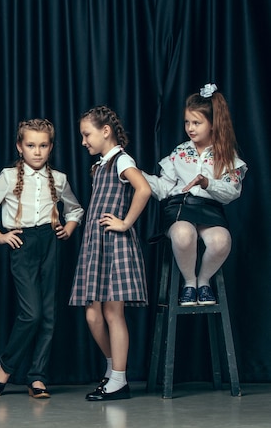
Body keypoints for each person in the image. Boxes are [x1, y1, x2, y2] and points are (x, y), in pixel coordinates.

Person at [0, 119, 84, 398]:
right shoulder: (9, 177)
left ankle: (37, 377)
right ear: (19, 147)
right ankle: (5, 368)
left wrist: (68, 229)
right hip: (23, 245)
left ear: (51, 147)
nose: (37, 151)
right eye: (31, 145)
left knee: (48, 315)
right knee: (31, 313)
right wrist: (0, 236)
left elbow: (75, 210)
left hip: (50, 243)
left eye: (43, 145)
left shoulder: (58, 179)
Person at [69, 105, 151, 401]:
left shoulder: (121, 159)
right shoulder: (101, 164)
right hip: (97, 246)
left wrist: (125, 222)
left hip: (115, 246)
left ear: (106, 132)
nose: (83, 141)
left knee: (113, 312)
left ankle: (119, 380)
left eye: (86, 134)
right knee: (93, 314)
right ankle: (113, 369)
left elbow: (143, 189)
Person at [142, 83, 247, 306]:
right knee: (183, 234)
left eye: (197, 123)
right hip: (181, 208)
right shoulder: (180, 152)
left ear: (213, 124)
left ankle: (203, 281)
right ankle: (189, 284)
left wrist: (207, 182)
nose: (190, 128)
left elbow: (232, 192)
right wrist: (135, 174)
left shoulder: (226, 155)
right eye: (187, 122)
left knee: (221, 241)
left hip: (209, 211)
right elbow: (162, 188)